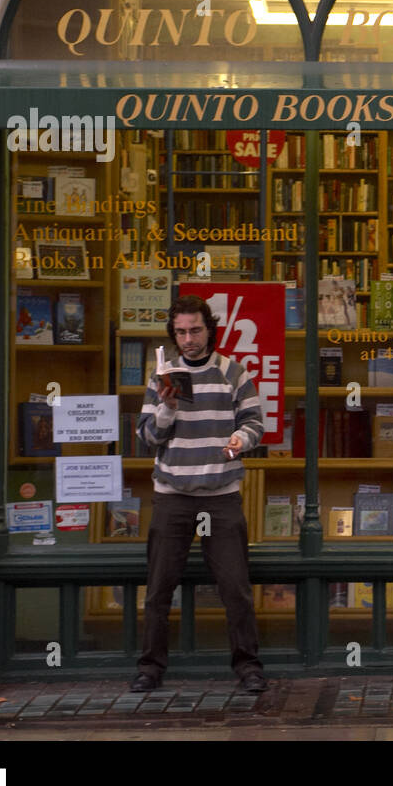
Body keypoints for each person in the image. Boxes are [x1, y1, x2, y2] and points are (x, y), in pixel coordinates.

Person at [131, 294, 267, 693]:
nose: (188, 338)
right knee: (158, 588)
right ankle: (150, 668)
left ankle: (248, 667)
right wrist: (167, 408)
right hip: (172, 492)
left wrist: (239, 441)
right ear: (172, 334)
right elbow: (146, 437)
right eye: (180, 332)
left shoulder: (233, 372)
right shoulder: (164, 376)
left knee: (235, 587)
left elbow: (255, 422)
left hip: (221, 493)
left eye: (195, 330)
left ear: (210, 329)